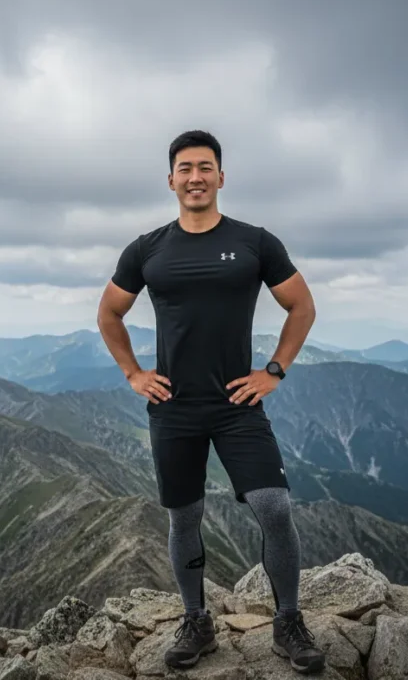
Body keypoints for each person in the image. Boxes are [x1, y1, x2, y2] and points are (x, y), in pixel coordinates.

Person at [96, 130, 323, 674]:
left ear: (221, 176)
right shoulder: (147, 249)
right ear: (171, 179)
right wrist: (133, 373)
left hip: (237, 404)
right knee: (184, 516)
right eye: (184, 168)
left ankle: (287, 620)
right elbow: (109, 313)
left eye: (205, 167)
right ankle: (197, 620)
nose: (195, 177)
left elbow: (302, 306)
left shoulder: (254, 242)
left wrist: (273, 371)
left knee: (274, 506)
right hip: (173, 406)